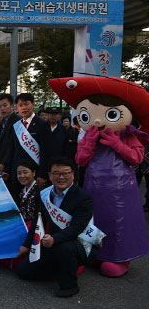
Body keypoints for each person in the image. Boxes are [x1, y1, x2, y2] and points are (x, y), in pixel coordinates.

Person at [49, 76, 149, 277]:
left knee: (119, 221)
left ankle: (119, 257)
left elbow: (137, 158)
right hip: (94, 185)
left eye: (109, 114)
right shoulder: (88, 136)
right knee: (95, 219)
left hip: (122, 188)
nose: (96, 120)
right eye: (87, 115)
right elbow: (81, 160)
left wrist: (118, 144)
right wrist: (89, 143)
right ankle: (97, 252)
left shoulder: (128, 135)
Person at [17, 157, 97, 298]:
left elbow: (77, 228)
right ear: (49, 175)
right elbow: (38, 221)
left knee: (65, 248)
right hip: (53, 243)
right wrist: (27, 245)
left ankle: (70, 285)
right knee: (24, 271)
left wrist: (54, 239)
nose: (61, 177)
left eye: (65, 173)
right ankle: (62, 268)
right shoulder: (46, 194)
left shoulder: (83, 197)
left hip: (80, 244)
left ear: (73, 174)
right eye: (56, 173)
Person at [1, 93, 51, 200]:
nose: (24, 108)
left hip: (35, 172)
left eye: (26, 104)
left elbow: (46, 151)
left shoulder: (42, 124)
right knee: (18, 199)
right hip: (17, 172)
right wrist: (7, 170)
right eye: (20, 105)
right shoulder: (17, 125)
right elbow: (12, 150)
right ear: (16, 107)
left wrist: (42, 174)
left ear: (33, 104)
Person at [16, 159, 40, 224]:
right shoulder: (21, 191)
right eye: (19, 173)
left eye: (25, 172)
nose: (22, 176)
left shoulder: (40, 191)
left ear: (34, 173)